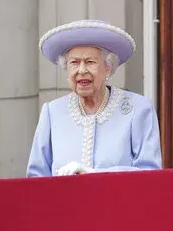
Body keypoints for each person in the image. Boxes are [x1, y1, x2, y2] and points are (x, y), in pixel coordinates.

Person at [27, 19, 162, 176]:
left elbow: (150, 174)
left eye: (90, 62)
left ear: (108, 68)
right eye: (74, 63)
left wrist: (94, 174)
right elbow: (36, 179)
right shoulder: (52, 112)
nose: (81, 70)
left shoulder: (138, 109)